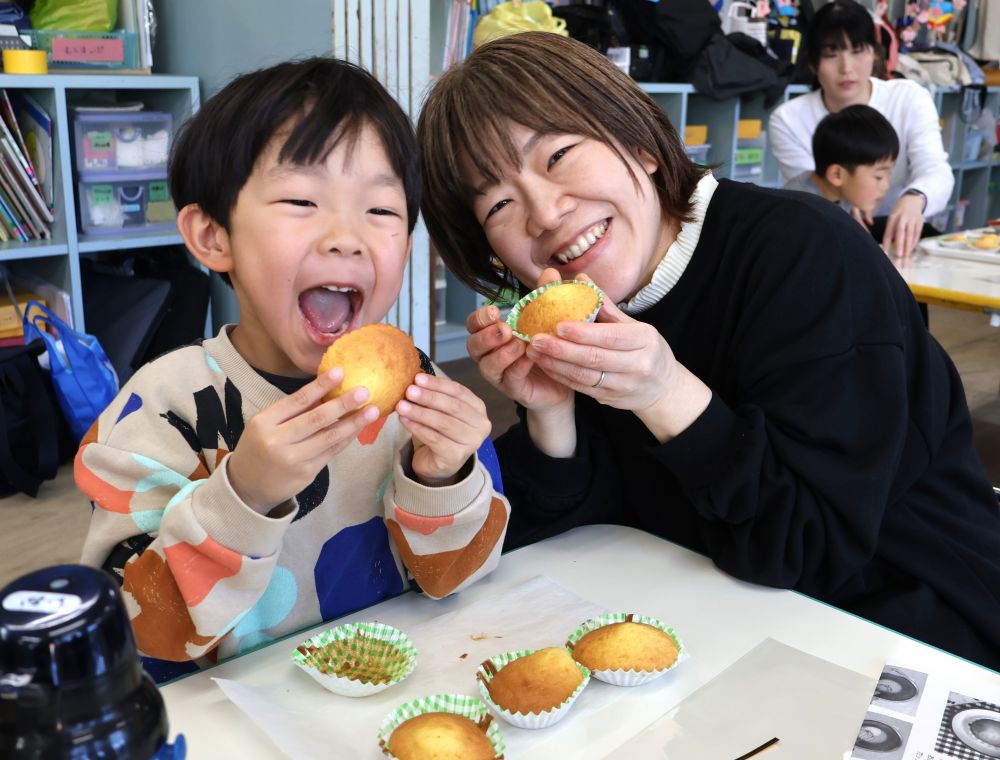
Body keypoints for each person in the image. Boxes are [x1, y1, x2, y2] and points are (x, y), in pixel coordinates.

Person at [417, 31, 1000, 671]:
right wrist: (552, 413)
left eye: (558, 155)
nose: (545, 213)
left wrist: (667, 394)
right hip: (710, 628)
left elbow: (807, 548)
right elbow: (573, 536)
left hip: (910, 631)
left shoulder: (804, 254)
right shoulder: (586, 309)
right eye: (498, 202)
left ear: (639, 144)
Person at [76, 57, 510, 681]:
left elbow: (458, 579)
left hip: (392, 695)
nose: (346, 237)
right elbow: (129, 632)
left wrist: (442, 479)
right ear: (212, 235)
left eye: (381, 212)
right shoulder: (159, 412)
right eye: (302, 199)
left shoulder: (418, 395)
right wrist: (243, 496)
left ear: (408, 247)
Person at [769, 0, 953, 258]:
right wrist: (840, 207)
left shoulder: (908, 97)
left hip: (901, 227)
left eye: (858, 51)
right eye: (832, 54)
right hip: (831, 233)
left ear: (875, 53)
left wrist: (915, 197)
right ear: (812, 62)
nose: (847, 68)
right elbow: (810, 193)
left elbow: (936, 169)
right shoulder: (788, 119)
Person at [784, 103, 898, 218]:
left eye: (888, 174)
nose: (886, 186)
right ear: (836, 175)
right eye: (878, 177)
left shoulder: (841, 194)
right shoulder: (801, 211)